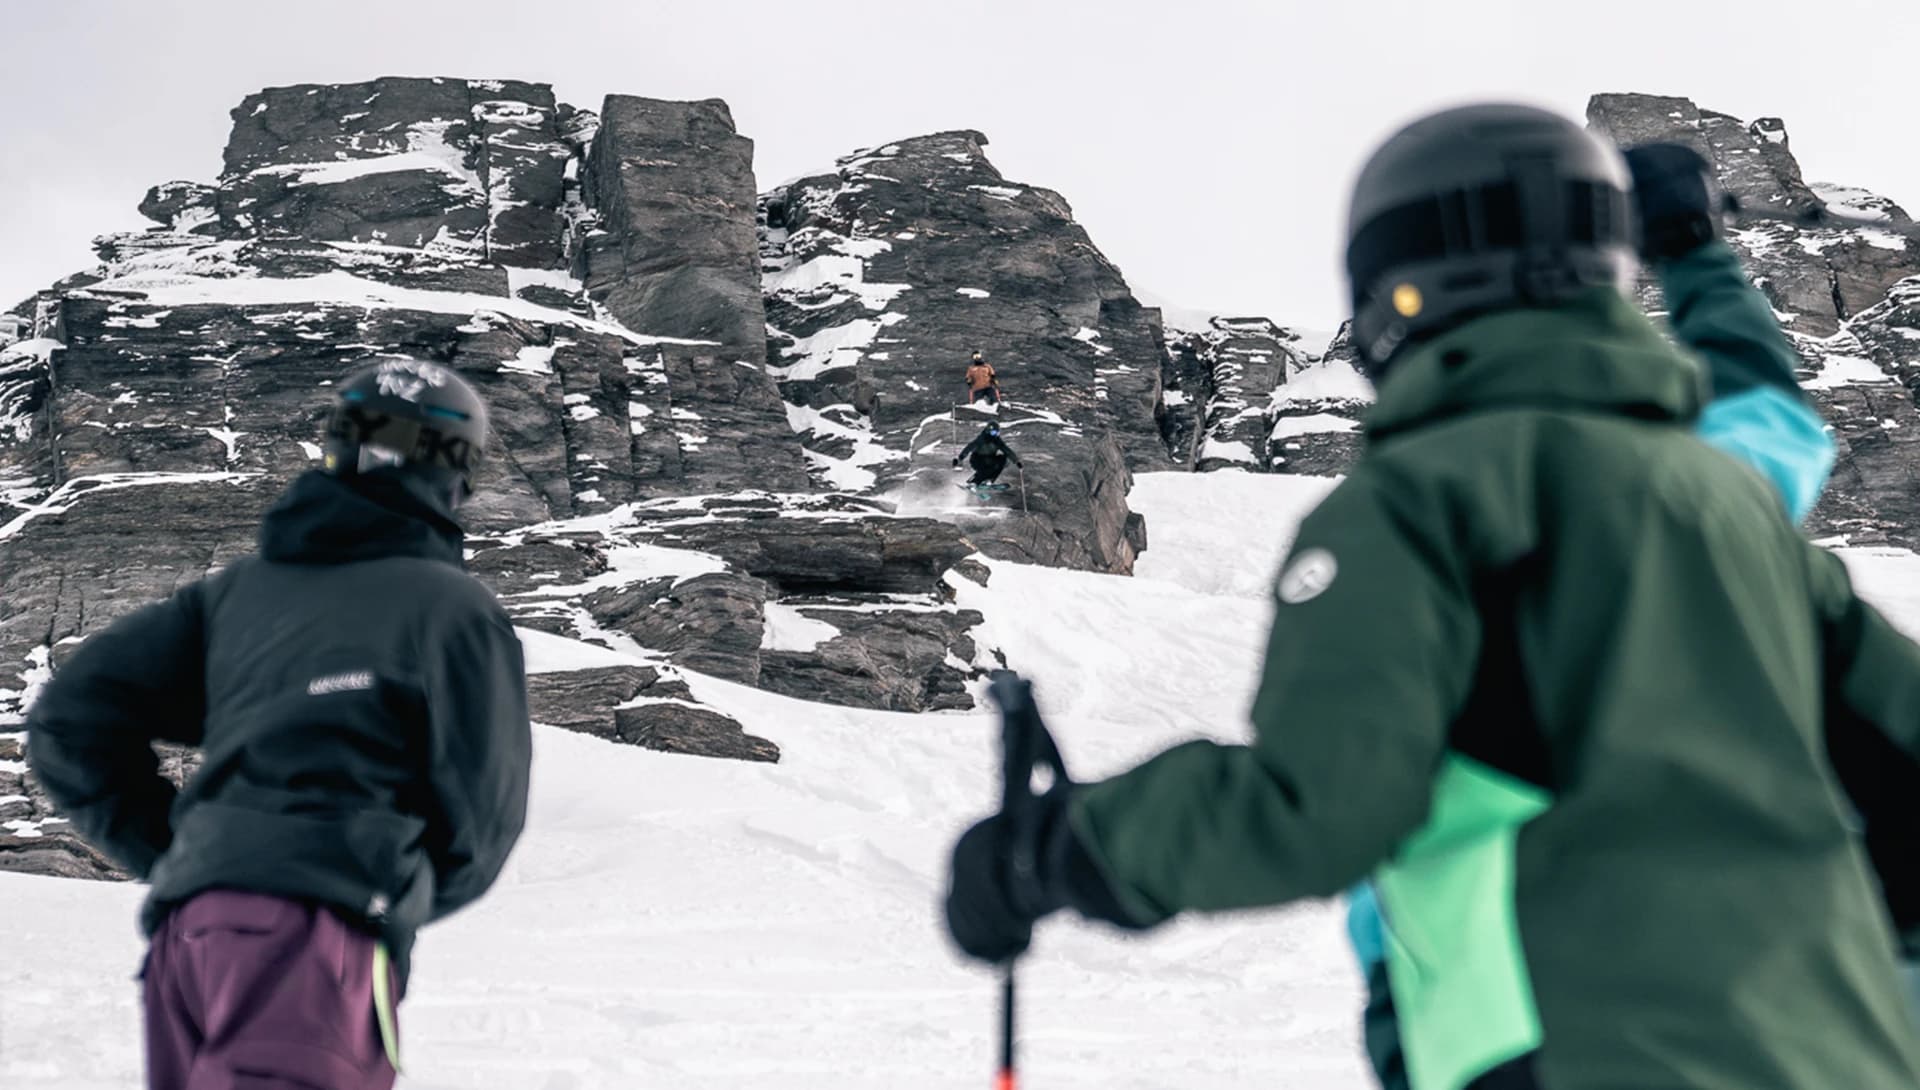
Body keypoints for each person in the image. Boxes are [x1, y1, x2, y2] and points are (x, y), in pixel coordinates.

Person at [942, 103, 1920, 1090]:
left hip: (1569, 1047)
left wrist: (1050, 848)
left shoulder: (1423, 503)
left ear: (1394, 292)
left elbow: (1320, 802)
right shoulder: (1735, 506)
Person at [28, 358, 533, 1090]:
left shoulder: (234, 595)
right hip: (322, 930)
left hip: (190, 937)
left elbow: (71, 719)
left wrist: (193, 858)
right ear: (454, 470)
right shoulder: (451, 608)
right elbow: (483, 813)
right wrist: (389, 884)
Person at [953, 421, 1022, 486]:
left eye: (997, 433)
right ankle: (974, 481)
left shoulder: (997, 441)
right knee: (988, 467)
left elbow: (1007, 450)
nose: (995, 435)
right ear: (988, 431)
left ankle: (989, 480)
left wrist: (1016, 461)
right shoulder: (981, 439)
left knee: (1003, 460)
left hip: (990, 459)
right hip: (977, 459)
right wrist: (961, 458)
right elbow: (970, 447)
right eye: (993, 433)